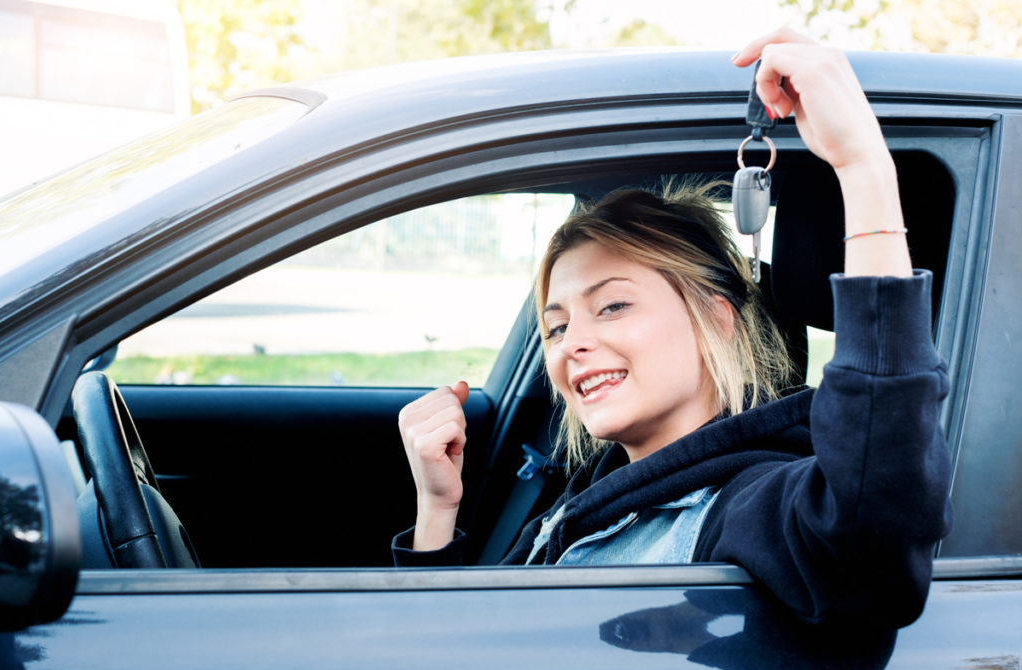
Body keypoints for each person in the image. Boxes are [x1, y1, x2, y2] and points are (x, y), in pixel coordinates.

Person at [392, 27, 953, 628]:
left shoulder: (741, 506)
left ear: (716, 318)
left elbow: (874, 558)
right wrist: (437, 509)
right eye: (555, 328)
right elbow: (460, 648)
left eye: (612, 307)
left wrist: (862, 164)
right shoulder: (599, 492)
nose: (571, 345)